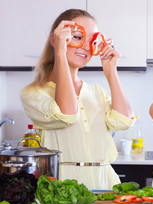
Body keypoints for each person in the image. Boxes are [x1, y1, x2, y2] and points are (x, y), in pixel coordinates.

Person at [20, 9, 135, 190]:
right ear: (55, 39)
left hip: (106, 185)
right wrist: (60, 52)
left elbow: (124, 122)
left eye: (92, 40)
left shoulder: (97, 91)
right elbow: (67, 114)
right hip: (64, 189)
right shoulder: (33, 93)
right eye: (77, 36)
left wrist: (111, 70)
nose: (85, 46)